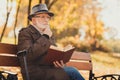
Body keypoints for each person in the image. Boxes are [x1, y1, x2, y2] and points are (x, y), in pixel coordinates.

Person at [17, 3, 85, 80]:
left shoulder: (48, 33)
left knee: (70, 70)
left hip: (50, 70)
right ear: (33, 20)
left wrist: (60, 63)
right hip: (34, 72)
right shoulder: (25, 33)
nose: (46, 20)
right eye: (42, 17)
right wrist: (45, 36)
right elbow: (28, 56)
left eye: (48, 17)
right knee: (72, 72)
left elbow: (54, 53)